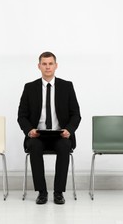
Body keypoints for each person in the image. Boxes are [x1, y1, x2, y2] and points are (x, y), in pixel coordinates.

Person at [17, 51, 81, 205]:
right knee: (34, 146)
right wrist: (29, 130)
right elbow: (22, 116)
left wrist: (69, 130)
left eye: (50, 63)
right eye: (44, 64)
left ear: (56, 66)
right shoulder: (29, 87)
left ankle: (58, 193)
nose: (47, 67)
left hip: (60, 135)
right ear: (39, 66)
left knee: (65, 146)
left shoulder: (67, 86)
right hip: (37, 135)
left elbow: (76, 115)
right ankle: (42, 192)